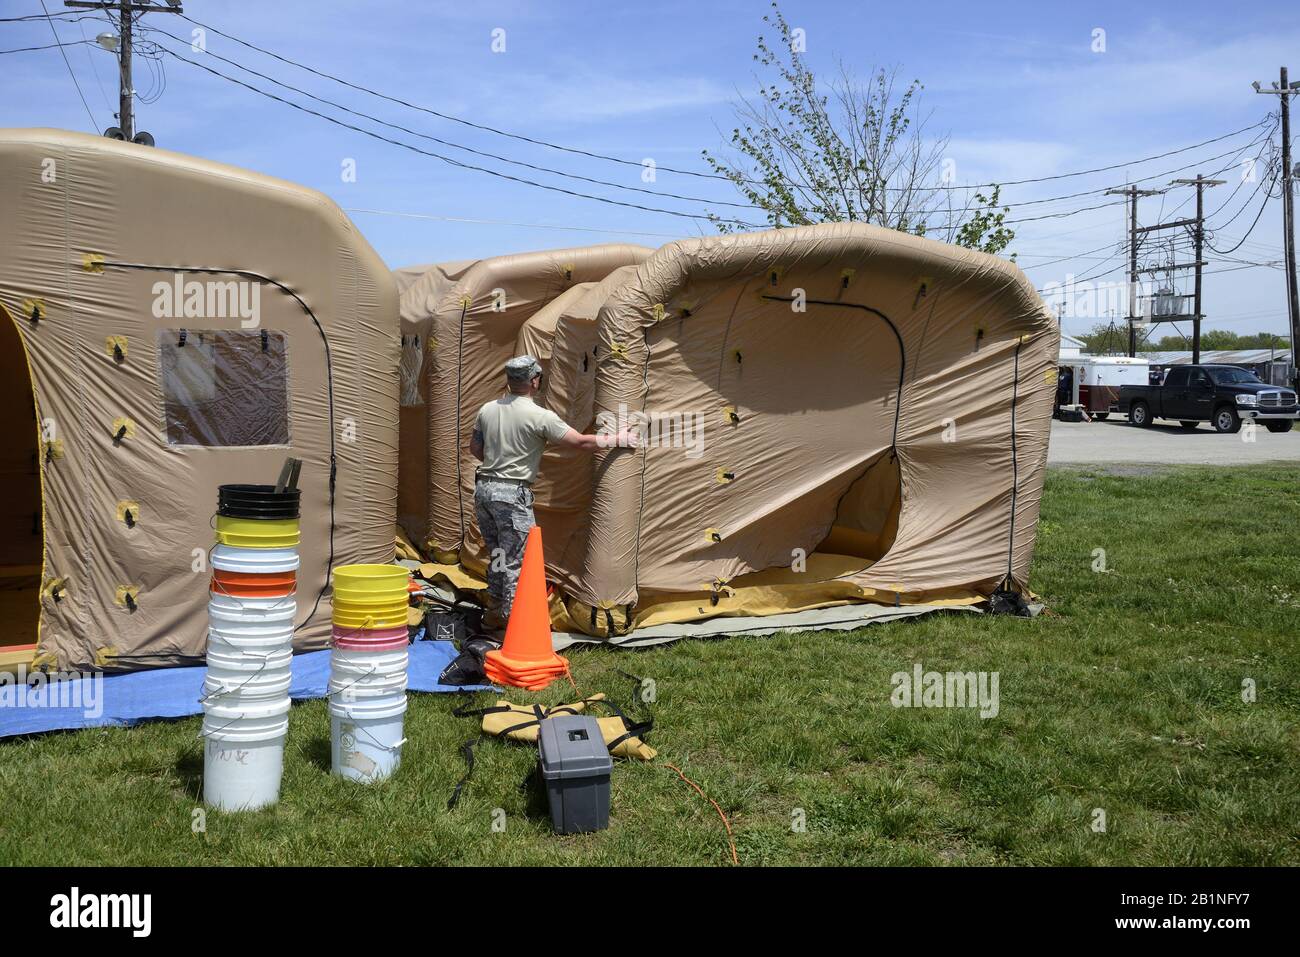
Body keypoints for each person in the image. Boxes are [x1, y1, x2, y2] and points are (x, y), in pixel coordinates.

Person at [469, 355, 634, 630]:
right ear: (534, 381)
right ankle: (513, 626)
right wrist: (619, 439)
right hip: (511, 494)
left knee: (498, 553)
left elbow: (475, 449)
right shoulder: (539, 416)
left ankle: (494, 612)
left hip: (484, 490)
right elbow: (580, 442)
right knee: (516, 561)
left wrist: (499, 455)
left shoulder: (487, 409)